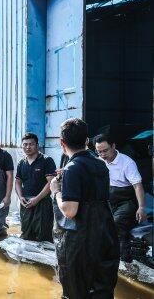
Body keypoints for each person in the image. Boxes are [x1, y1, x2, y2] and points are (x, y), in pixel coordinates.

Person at [50, 118, 119, 298]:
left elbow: (69, 211)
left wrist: (56, 191)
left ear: (61, 143)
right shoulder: (100, 164)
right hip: (105, 233)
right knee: (102, 288)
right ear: (87, 141)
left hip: (80, 240)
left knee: (76, 290)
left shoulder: (73, 168)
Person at [94, 133, 147, 262]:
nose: (102, 155)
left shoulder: (127, 163)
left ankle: (124, 259)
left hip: (126, 201)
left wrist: (141, 207)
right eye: (99, 152)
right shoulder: (99, 161)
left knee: (116, 224)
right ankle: (104, 257)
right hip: (109, 199)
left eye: (105, 150)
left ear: (113, 146)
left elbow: (138, 186)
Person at [14, 133, 56, 242]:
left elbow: (51, 183)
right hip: (26, 203)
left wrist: (37, 199)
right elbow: (18, 181)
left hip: (42, 202)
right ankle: (27, 259)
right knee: (26, 234)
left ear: (37, 145)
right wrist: (20, 197)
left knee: (43, 235)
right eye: (25, 144)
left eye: (31, 144)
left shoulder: (46, 160)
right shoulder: (21, 163)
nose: (28, 147)